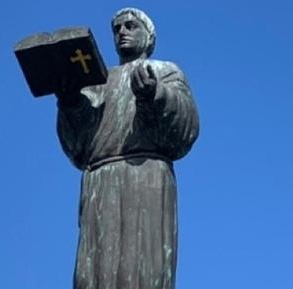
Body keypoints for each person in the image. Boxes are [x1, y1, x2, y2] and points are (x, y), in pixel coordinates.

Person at [55, 7, 199, 289]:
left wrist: (155, 94)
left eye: (131, 26)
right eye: (117, 28)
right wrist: (70, 102)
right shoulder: (96, 83)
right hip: (100, 179)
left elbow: (186, 128)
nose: (122, 32)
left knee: (145, 266)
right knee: (93, 272)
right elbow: (77, 146)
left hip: (147, 176)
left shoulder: (165, 71)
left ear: (148, 36)